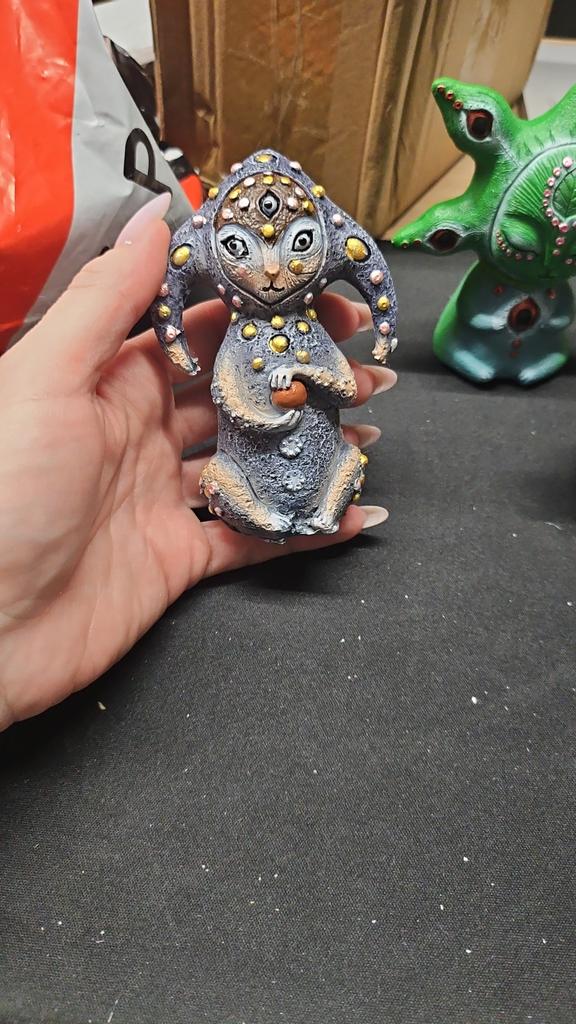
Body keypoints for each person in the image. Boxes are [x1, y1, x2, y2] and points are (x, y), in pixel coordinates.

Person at [0, 196, 396, 730]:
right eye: (240, 248)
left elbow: (346, 387)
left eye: (299, 243)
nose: (272, 271)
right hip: (251, 476)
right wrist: (267, 418)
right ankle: (265, 518)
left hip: (323, 471)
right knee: (218, 478)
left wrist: (312, 378)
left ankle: (325, 511)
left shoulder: (314, 337)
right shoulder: (237, 342)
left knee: (348, 457)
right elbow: (229, 395)